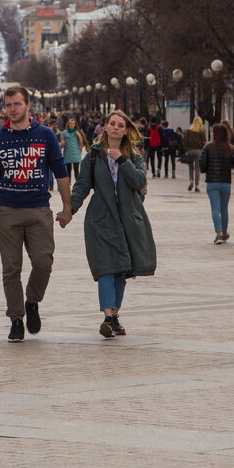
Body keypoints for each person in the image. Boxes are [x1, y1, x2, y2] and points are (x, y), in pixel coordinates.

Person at [0, 86, 71, 343]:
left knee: (43, 262)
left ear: (28, 105)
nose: (13, 109)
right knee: (11, 268)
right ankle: (16, 319)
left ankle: (32, 301)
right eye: (8, 105)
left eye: (17, 104)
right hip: (7, 210)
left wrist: (67, 206)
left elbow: (61, 172)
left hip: (39, 208)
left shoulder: (46, 135)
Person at [66, 110, 156, 338]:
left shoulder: (134, 156)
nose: (116, 127)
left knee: (121, 269)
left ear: (126, 130)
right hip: (101, 219)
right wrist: (70, 209)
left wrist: (121, 160)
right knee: (106, 267)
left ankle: (114, 316)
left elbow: (139, 181)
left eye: (120, 124)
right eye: (112, 123)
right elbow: (82, 185)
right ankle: (108, 316)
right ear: (105, 127)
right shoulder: (93, 156)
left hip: (127, 219)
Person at [201, 123, 234, 245]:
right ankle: (225, 232)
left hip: (212, 182)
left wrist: (205, 170)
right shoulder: (230, 148)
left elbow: (202, 163)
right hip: (226, 182)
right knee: (224, 208)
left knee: (215, 208)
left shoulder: (208, 147)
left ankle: (219, 233)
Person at [183, 117, 206, 192]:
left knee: (190, 167)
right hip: (198, 151)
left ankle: (191, 181)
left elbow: (184, 141)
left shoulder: (189, 131)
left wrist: (186, 150)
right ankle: (196, 185)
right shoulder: (201, 132)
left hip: (190, 151)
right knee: (197, 169)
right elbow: (204, 142)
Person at [60, 117, 87, 182]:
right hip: (67, 154)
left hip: (76, 154)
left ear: (75, 124)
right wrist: (62, 143)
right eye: (70, 123)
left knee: (76, 170)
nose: (72, 125)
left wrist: (79, 136)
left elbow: (82, 144)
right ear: (68, 124)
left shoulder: (78, 132)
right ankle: (68, 184)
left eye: (73, 123)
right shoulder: (63, 133)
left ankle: (77, 185)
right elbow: (62, 144)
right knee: (68, 170)